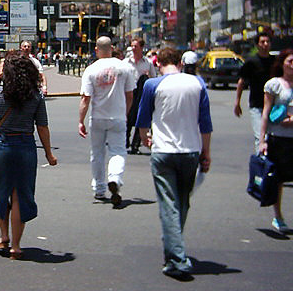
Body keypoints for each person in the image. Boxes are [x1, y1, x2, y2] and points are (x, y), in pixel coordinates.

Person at [136, 47, 212, 281]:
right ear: (180, 62)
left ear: (159, 64)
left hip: (163, 152)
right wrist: (205, 153)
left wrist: (144, 139)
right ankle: (174, 252)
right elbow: (205, 124)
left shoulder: (152, 85)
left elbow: (143, 119)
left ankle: (177, 258)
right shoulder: (198, 83)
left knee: (168, 205)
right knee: (181, 203)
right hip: (190, 151)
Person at [0, 51, 57, 259]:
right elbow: (42, 127)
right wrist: (49, 153)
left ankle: (4, 237)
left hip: (2, 145)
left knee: (2, 190)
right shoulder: (35, 94)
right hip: (26, 146)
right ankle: (16, 246)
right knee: (20, 194)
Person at [78, 36, 135, 205]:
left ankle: (99, 188)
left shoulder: (90, 69)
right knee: (118, 151)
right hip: (117, 116)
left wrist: (81, 120)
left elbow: (85, 98)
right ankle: (115, 178)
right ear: (111, 48)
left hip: (97, 117)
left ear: (96, 49)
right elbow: (130, 95)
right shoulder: (124, 67)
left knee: (97, 153)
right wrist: (125, 113)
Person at [258, 48, 293, 234]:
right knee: (278, 179)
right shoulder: (274, 84)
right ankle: (278, 216)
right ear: (282, 63)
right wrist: (261, 139)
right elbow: (266, 113)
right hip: (279, 138)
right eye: (290, 61)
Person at [235, 32, 275, 152]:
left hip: (274, 106)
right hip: (256, 105)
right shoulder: (251, 62)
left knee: (272, 136)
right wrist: (237, 103)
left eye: (267, 42)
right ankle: (261, 163)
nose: (265, 44)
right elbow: (241, 82)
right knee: (260, 136)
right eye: (262, 42)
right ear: (257, 45)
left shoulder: (275, 61)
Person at [126, 38, 157, 154]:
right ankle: (125, 141)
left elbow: (153, 79)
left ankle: (136, 145)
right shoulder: (126, 63)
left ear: (141, 48)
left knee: (141, 119)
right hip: (129, 93)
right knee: (127, 118)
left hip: (143, 95)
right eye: (132, 46)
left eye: (136, 46)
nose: (133, 48)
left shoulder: (147, 63)